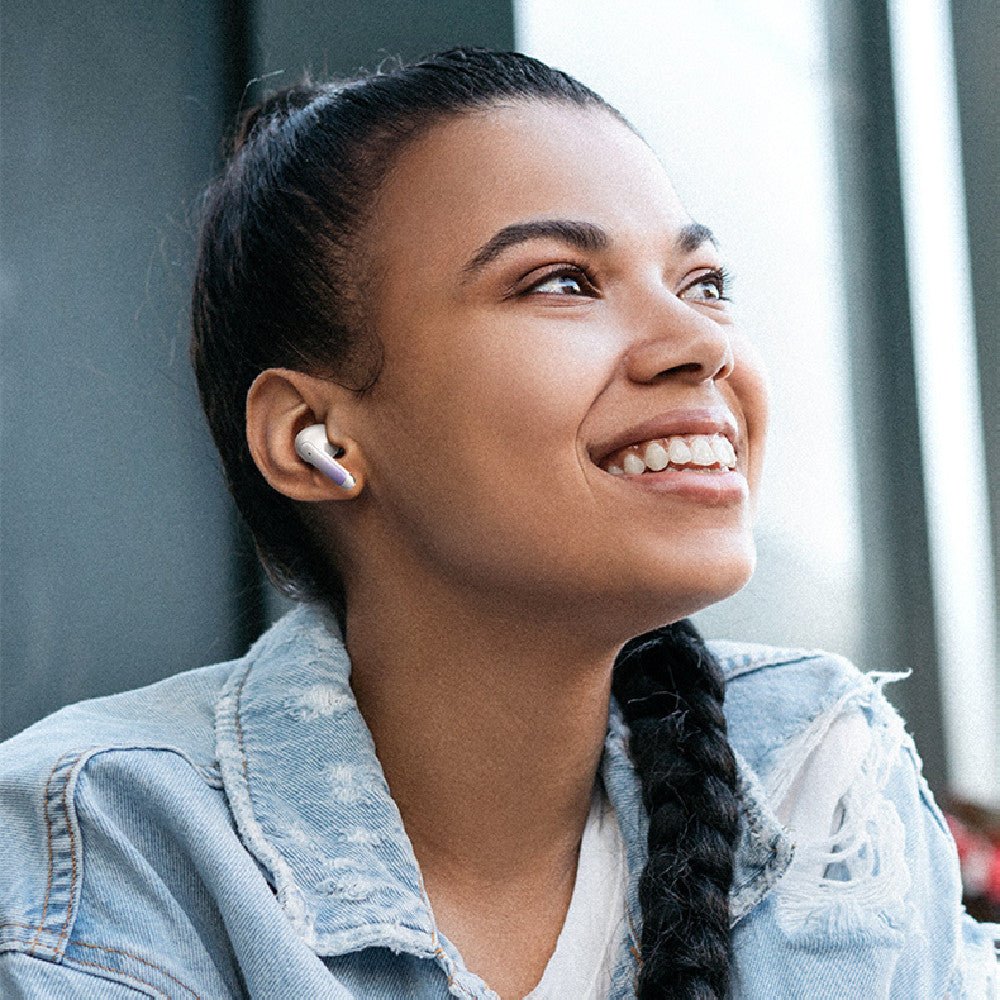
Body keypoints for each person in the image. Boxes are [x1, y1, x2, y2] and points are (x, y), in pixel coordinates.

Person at [0, 47, 996, 1000]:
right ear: (315, 435)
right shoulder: (97, 847)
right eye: (560, 280)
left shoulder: (814, 773)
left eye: (704, 284)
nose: (701, 344)